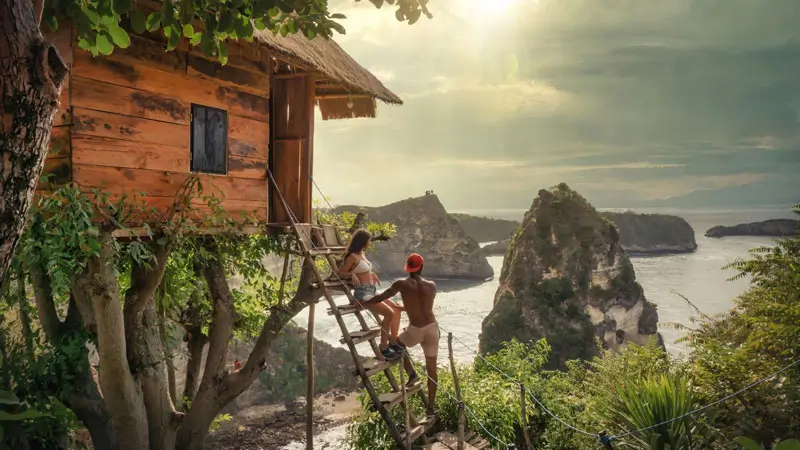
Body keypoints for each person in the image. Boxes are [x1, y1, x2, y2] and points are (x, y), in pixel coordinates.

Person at [358, 253, 439, 416]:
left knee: (396, 344)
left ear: (408, 268)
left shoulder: (401, 284)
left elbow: (382, 296)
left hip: (415, 329)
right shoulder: (432, 285)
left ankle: (412, 374)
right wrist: (405, 307)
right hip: (432, 328)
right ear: (421, 267)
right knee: (432, 369)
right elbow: (422, 304)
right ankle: (430, 407)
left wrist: (365, 302)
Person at [337, 229, 403, 359]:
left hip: (371, 291)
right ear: (363, 241)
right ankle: (383, 348)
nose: (370, 243)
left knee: (396, 308)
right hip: (363, 294)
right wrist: (352, 274)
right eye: (368, 240)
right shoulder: (351, 256)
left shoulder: (362, 254)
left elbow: (364, 269)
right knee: (389, 313)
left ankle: (393, 341)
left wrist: (370, 273)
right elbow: (340, 273)